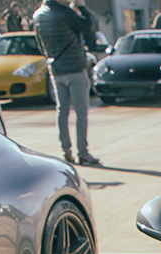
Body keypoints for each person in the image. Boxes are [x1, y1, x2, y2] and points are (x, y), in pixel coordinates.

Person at [34, 0, 100, 165]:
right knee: (81, 112)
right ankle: (83, 153)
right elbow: (90, 26)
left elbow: (40, 44)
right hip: (75, 67)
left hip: (55, 69)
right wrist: (82, 7)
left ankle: (66, 150)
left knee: (62, 111)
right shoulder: (65, 13)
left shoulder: (38, 15)